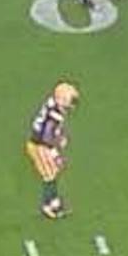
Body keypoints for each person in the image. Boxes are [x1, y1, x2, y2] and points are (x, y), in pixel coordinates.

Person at [27, 81, 78, 220]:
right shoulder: (55, 114)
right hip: (39, 145)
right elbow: (47, 137)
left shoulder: (51, 103)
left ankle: (54, 202)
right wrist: (56, 152)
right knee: (49, 174)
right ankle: (47, 205)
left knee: (53, 171)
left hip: (40, 142)